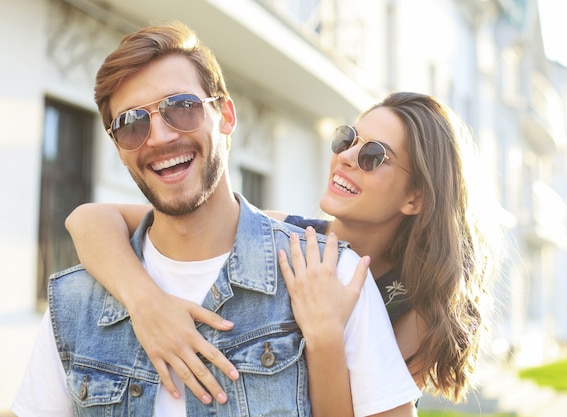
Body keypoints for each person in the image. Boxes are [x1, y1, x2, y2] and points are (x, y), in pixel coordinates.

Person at [12, 21, 420, 417]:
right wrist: (144, 300)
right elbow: (88, 218)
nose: (158, 137)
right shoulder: (75, 303)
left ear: (225, 115)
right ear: (119, 148)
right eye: (131, 124)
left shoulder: (333, 278)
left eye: (181, 107)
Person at [63, 90, 498, 406]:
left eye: (374, 156)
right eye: (348, 139)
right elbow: (88, 219)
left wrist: (324, 334)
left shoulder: (416, 306)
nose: (347, 157)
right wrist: (147, 303)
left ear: (414, 198)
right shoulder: (283, 238)